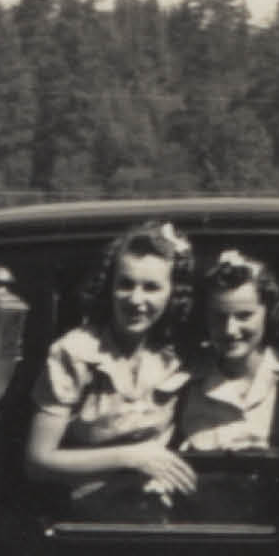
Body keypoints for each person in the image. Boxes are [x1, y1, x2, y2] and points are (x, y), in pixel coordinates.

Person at [26, 220, 196, 519]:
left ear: (172, 293)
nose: (136, 300)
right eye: (126, 284)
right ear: (110, 286)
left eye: (152, 287)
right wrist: (131, 458)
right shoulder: (75, 352)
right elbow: (38, 460)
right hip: (90, 521)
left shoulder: (179, 355)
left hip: (157, 516)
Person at [175, 249, 279, 456]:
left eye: (244, 316)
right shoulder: (185, 385)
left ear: (268, 312)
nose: (230, 330)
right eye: (219, 317)